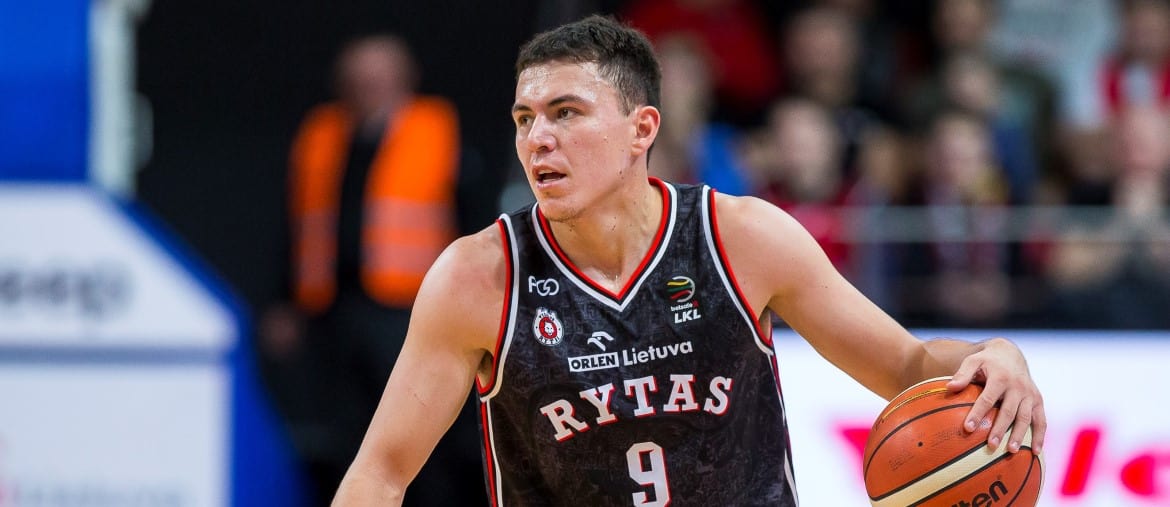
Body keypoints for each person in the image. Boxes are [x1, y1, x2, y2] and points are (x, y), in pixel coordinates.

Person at [332, 16, 1046, 506]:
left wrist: (995, 353)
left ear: (641, 128)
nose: (538, 138)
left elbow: (906, 366)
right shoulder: (479, 276)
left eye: (566, 113)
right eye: (526, 118)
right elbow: (380, 474)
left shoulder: (741, 238)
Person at [259, 34, 484, 506]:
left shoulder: (435, 128)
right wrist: (285, 299)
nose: (369, 87)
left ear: (406, 79)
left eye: (380, 77)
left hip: (413, 308)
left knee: (420, 427)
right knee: (347, 430)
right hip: (335, 306)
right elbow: (297, 223)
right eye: (359, 79)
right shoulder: (322, 134)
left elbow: (470, 217)